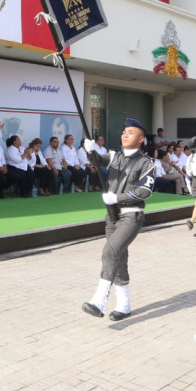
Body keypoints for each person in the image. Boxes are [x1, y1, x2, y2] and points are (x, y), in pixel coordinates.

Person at [81, 117, 156, 321]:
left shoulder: (146, 163)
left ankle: (99, 300)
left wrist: (117, 198)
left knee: (110, 251)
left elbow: (145, 191)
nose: (125, 135)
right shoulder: (115, 156)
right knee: (119, 258)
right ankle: (124, 305)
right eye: (124, 132)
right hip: (112, 216)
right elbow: (97, 162)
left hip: (131, 215)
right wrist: (90, 151)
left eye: (131, 133)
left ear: (141, 139)